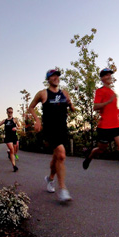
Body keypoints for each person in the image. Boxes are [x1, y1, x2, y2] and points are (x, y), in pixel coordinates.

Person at [83, 68, 119, 189]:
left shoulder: (112, 92)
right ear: (102, 78)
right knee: (100, 150)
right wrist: (108, 101)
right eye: (106, 75)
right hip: (104, 126)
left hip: (117, 125)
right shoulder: (100, 91)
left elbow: (111, 108)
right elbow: (95, 106)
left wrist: (118, 111)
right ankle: (90, 156)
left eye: (110, 74)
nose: (109, 76)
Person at [29, 69, 76, 202]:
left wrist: (70, 103)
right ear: (48, 79)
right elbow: (31, 107)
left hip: (62, 129)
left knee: (57, 158)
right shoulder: (43, 93)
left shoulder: (64, 93)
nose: (56, 78)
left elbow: (72, 110)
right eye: (53, 76)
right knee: (61, 154)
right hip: (50, 130)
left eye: (57, 76)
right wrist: (37, 120)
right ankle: (62, 189)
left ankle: (50, 179)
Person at [0, 107, 21, 172]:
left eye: (11, 112)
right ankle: (14, 166)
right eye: (9, 112)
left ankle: (9, 153)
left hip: (14, 137)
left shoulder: (15, 119)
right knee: (12, 150)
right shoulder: (5, 120)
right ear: (7, 113)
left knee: (14, 151)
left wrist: (16, 128)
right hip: (8, 137)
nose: (10, 113)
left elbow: (20, 127)